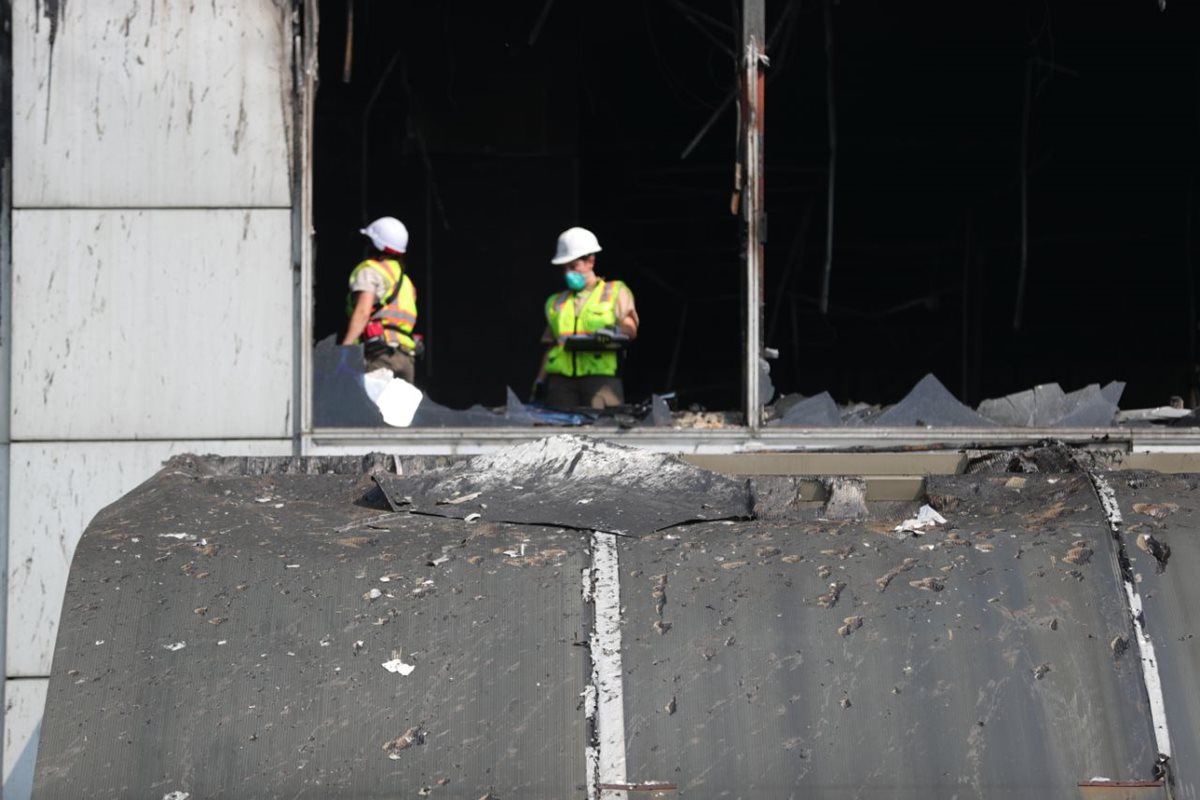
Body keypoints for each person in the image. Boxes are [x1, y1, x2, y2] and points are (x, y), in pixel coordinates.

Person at [534, 227, 639, 409]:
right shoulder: (555, 302)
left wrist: (613, 331)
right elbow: (552, 346)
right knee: (560, 427)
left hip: (600, 381)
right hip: (561, 384)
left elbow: (631, 328)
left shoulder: (614, 292)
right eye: (564, 268)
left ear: (590, 261)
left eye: (573, 266)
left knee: (603, 426)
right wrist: (539, 381)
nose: (568, 273)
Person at [341, 216, 419, 383]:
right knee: (398, 402)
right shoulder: (406, 282)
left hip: (380, 357)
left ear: (375, 245)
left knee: (366, 401)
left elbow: (363, 311)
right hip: (406, 359)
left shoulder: (370, 271)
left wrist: (346, 349)